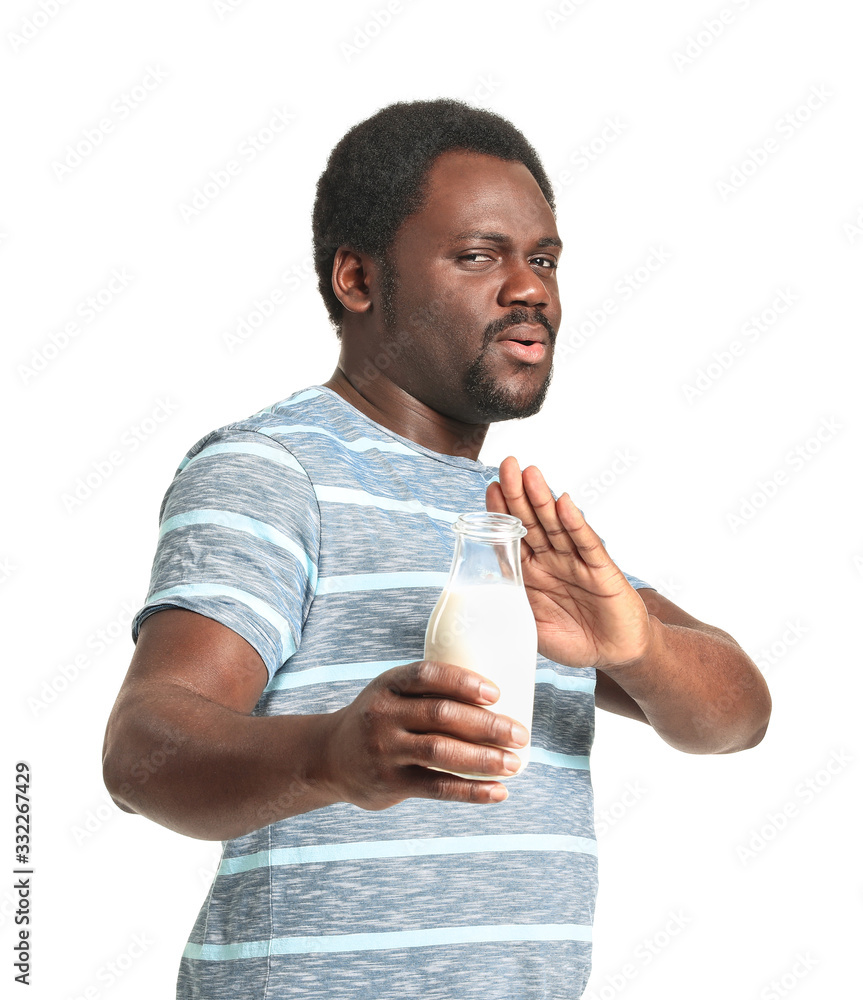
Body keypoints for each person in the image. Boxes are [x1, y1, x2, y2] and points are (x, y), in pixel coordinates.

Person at [102, 98, 771, 1000]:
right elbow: (141, 750)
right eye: (478, 255)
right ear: (357, 279)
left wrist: (636, 650)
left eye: (542, 259)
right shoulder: (277, 470)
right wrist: (331, 755)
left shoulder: (513, 523)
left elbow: (737, 716)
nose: (529, 287)